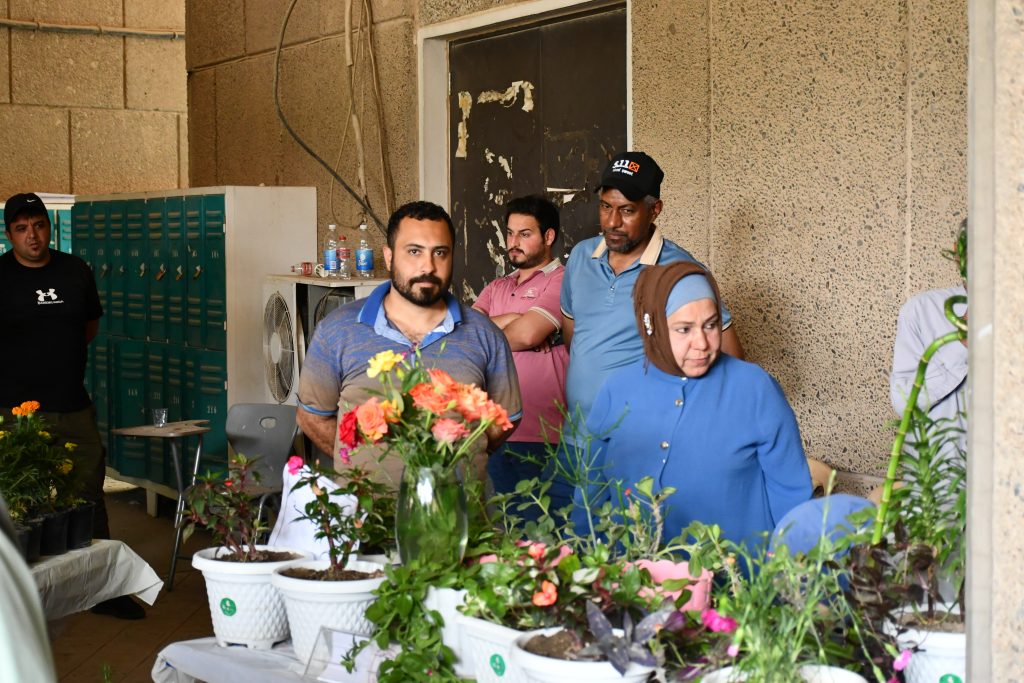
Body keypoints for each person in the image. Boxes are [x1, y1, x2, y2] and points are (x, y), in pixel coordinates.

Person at [553, 152, 745, 509]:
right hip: (576, 440)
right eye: (605, 207)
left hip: (638, 448)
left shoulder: (679, 270)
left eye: (627, 210)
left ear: (654, 210)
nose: (612, 221)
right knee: (565, 537)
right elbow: (574, 338)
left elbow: (732, 359)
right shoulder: (580, 257)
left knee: (631, 541)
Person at [572, 262, 811, 547]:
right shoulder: (617, 388)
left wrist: (792, 563)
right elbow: (591, 493)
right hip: (633, 570)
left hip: (737, 570)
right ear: (653, 327)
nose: (702, 343)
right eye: (684, 329)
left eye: (710, 325)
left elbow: (791, 494)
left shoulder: (755, 388)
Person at [296, 201, 523, 485]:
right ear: (389, 256)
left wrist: (466, 455)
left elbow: (505, 417)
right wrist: (358, 462)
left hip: (456, 509)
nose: (428, 266)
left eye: (440, 252)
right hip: (367, 509)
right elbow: (312, 417)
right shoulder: (337, 331)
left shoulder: (484, 334)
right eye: (414, 251)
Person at [0, 192, 144, 620]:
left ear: (49, 227)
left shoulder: (75, 270)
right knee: (17, 500)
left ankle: (103, 589)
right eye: (22, 228)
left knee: (88, 496)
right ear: (9, 234)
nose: (32, 235)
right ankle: (16, 597)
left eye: (38, 225)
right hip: (15, 412)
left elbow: (88, 326)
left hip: (72, 404)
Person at [473, 195, 568, 511]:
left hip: (542, 433)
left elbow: (527, 334)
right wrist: (514, 318)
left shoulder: (562, 280)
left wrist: (497, 328)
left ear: (548, 236)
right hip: (493, 430)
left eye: (524, 234)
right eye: (510, 233)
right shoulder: (496, 287)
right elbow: (467, 336)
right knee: (504, 527)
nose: (513, 243)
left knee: (542, 528)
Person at [890, 220, 968, 451]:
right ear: (958, 253)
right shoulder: (921, 311)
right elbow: (903, 403)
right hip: (944, 469)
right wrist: (962, 343)